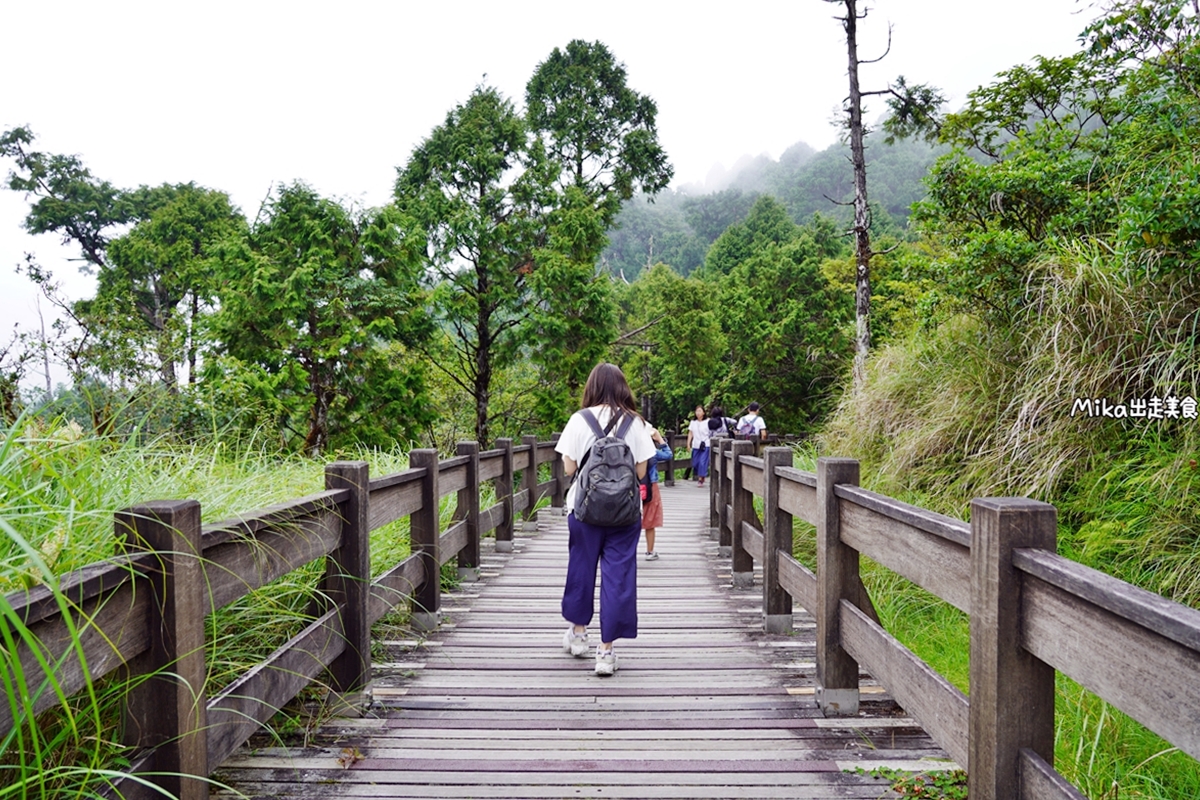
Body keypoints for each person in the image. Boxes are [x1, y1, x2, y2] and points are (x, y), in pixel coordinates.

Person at [555, 362, 656, 676]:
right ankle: (606, 653)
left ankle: (579, 635)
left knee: (581, 568)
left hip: (584, 511)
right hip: (625, 515)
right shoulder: (635, 423)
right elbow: (641, 472)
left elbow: (569, 469)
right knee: (619, 577)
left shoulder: (578, 420)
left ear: (592, 386)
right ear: (623, 387)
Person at [641, 427, 674, 560]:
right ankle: (649, 552)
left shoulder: (630, 451)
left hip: (632, 486)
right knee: (650, 518)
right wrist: (659, 439)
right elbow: (668, 455)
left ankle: (627, 550)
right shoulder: (652, 452)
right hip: (650, 486)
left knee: (629, 518)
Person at [686, 405, 712, 486]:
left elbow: (711, 432)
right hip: (696, 445)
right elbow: (690, 433)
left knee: (702, 462)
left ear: (703, 412)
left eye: (700, 411)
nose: (698, 413)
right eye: (697, 411)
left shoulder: (708, 421)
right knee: (695, 463)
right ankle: (702, 475)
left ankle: (700, 479)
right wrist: (688, 444)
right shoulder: (693, 422)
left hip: (706, 444)